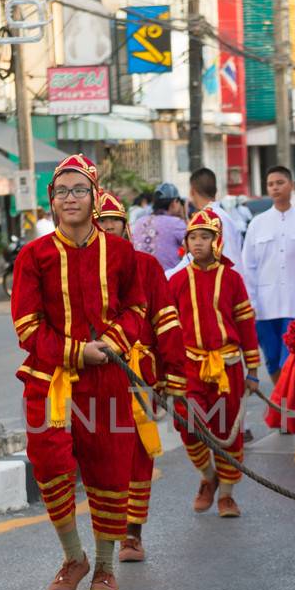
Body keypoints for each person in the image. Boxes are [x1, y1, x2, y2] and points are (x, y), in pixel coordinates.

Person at [12, 154, 147, 590]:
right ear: (51, 200)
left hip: (107, 375)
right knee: (49, 463)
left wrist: (112, 342)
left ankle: (105, 566)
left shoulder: (122, 252)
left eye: (79, 190)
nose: (70, 198)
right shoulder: (33, 256)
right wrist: (75, 352)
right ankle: (74, 556)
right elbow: (27, 326)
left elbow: (137, 309)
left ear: (95, 195)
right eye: (61, 191)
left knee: (109, 467)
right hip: (49, 379)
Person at [93, 190, 184, 563]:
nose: (108, 228)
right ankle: (104, 535)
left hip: (138, 376)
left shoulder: (145, 266)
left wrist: (172, 377)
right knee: (100, 455)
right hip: (94, 374)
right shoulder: (81, 266)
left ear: (125, 225)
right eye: (101, 223)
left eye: (113, 221)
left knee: (137, 454)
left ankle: (133, 533)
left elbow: (166, 322)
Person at [171, 209, 261, 518]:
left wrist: (254, 371)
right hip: (190, 367)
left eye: (204, 237)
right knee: (187, 423)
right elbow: (167, 328)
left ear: (217, 241)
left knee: (227, 430)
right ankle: (208, 476)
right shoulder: (177, 280)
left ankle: (226, 495)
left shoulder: (233, 279)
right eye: (193, 237)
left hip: (228, 367)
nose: (198, 243)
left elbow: (246, 324)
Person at [241, 165, 295, 383]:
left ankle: (286, 407)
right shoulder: (257, 224)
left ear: (292, 186)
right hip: (264, 306)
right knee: (271, 359)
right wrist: (250, 302)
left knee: (291, 360)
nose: (275, 188)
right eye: (271, 184)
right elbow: (247, 266)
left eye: (280, 182)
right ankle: (282, 405)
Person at [190, 167, 245, 264]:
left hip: (221, 277)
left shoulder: (204, 219)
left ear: (192, 191)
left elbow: (193, 258)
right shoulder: (226, 216)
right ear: (215, 191)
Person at [131, 182, 187, 270]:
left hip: (141, 278)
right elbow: (193, 246)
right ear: (174, 202)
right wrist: (184, 216)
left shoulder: (139, 221)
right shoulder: (176, 223)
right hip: (167, 279)